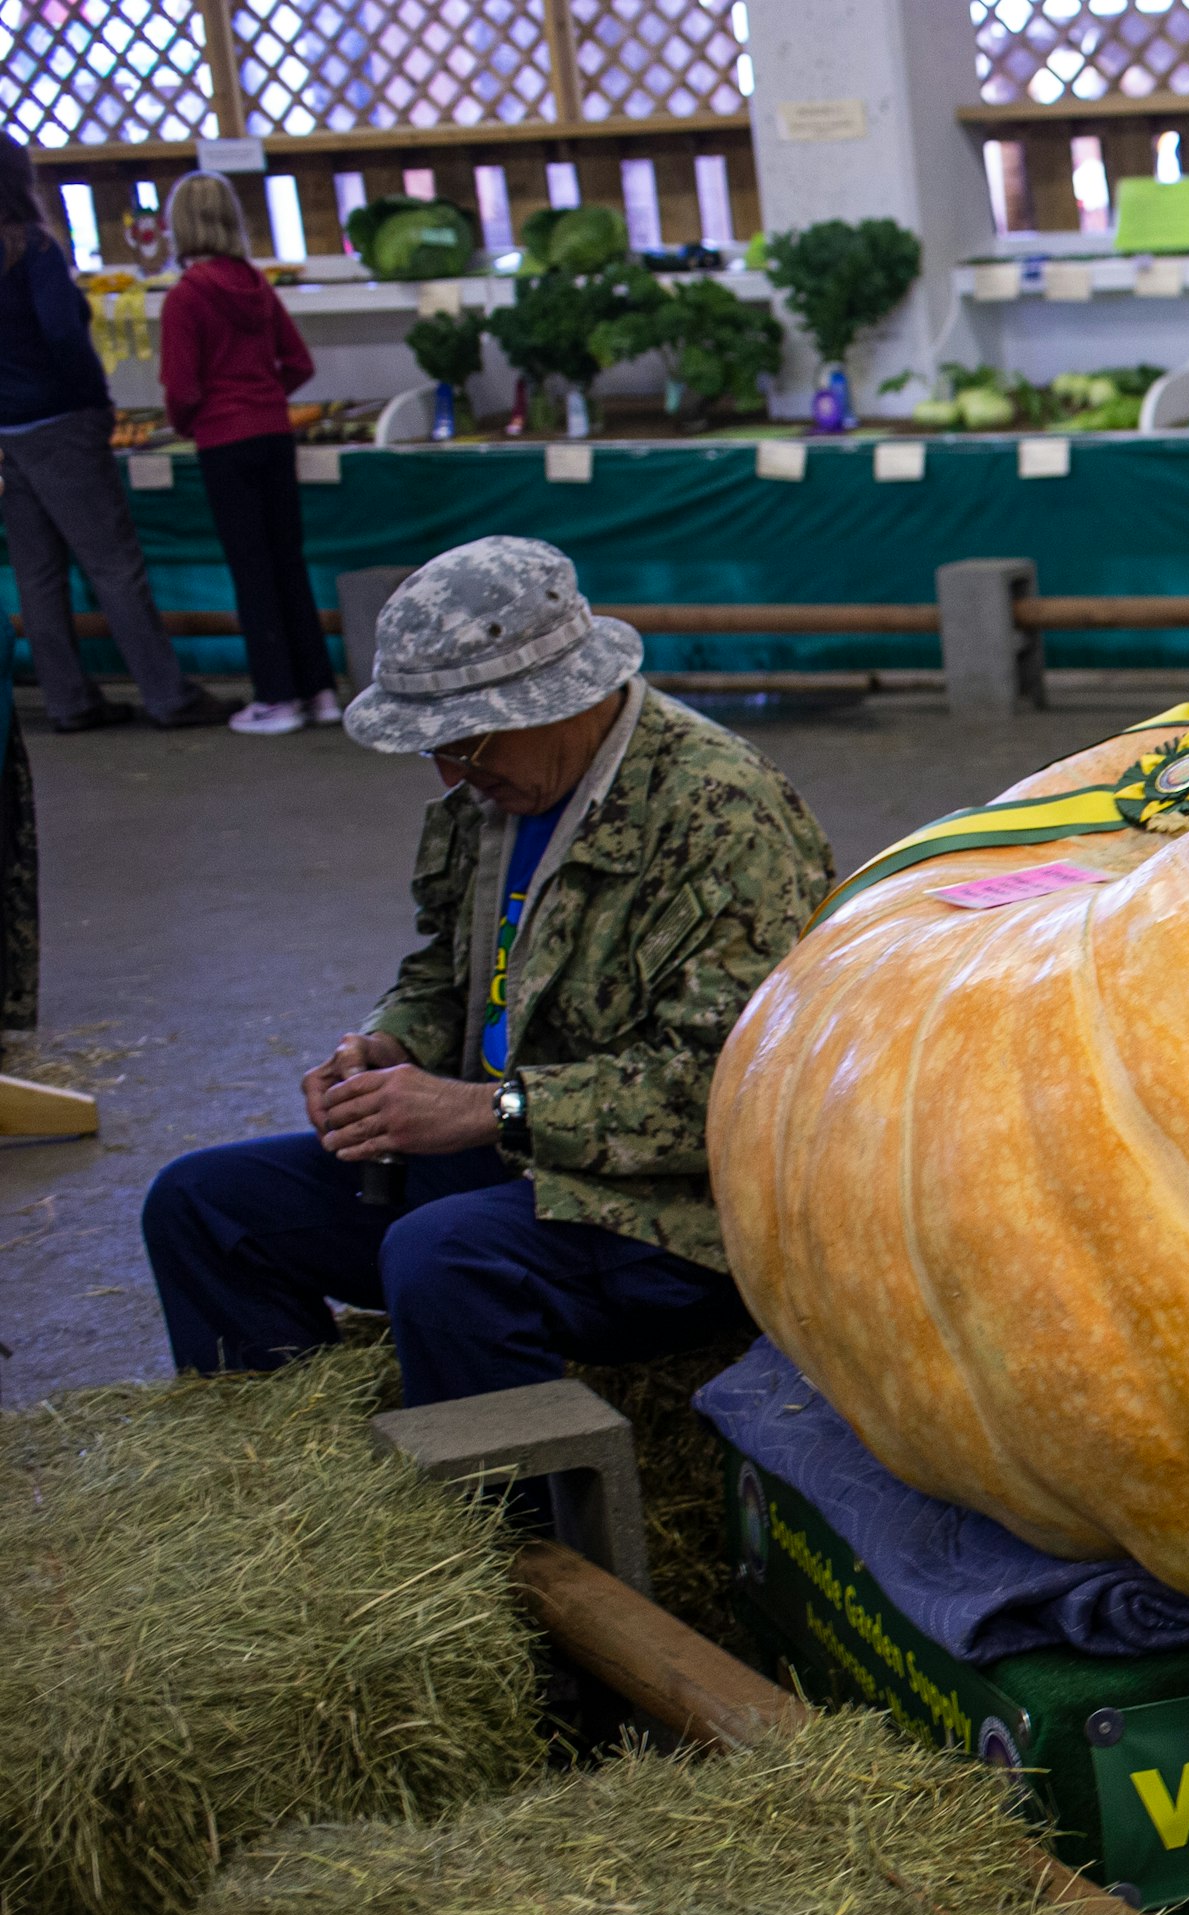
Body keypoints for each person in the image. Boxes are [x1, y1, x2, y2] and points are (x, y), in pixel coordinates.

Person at [140, 538, 833, 1407]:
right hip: (512, 1160)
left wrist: (488, 1109)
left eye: (465, 740)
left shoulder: (723, 815)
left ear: (559, 701)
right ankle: (284, 1485)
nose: (449, 770)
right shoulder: (497, 794)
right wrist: (390, 1043)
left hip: (671, 1211)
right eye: (435, 746)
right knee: (202, 1206)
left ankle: (513, 1531)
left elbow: (735, 1091)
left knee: (443, 1257)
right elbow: (445, 961)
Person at [0, 138, 218, 733]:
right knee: (112, 564)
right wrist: (86, 395)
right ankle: (166, 694)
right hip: (62, 422)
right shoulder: (34, 250)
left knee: (37, 574)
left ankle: (68, 699)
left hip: (8, 430)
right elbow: (63, 335)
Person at [159, 173, 335, 738]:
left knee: (251, 570)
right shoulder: (256, 284)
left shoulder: (186, 296)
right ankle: (319, 689)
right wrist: (261, 401)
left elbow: (182, 389)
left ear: (179, 224)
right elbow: (299, 363)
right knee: (289, 562)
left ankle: (276, 698)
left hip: (223, 442)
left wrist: (197, 420)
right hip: (273, 436)